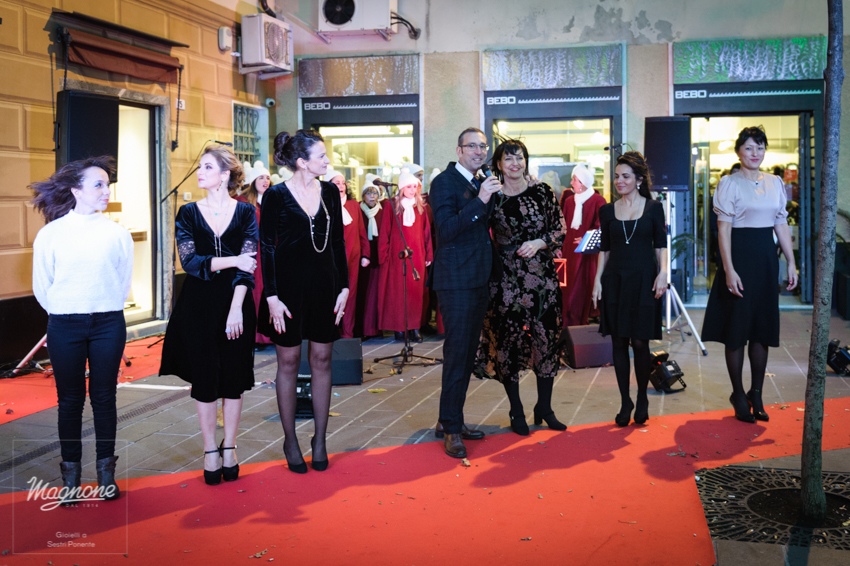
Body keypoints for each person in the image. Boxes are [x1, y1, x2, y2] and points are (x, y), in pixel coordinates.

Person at [31, 156, 133, 503]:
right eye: (98, 184)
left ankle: (106, 476)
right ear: (76, 190)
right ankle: (70, 479)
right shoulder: (51, 234)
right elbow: (42, 286)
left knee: (104, 397)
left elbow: (122, 283)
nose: (106, 191)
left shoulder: (117, 233)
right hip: (65, 324)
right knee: (70, 400)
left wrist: (102, 306)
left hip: (108, 322)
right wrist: (66, 311)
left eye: (108, 184)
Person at [159, 146, 257, 485]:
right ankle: (209, 450)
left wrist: (236, 308)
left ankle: (230, 447)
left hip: (237, 302)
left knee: (233, 378)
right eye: (200, 167)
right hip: (198, 304)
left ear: (225, 174)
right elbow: (191, 263)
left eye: (207, 167)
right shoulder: (188, 213)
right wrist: (233, 260)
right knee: (204, 378)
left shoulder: (245, 213)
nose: (199, 172)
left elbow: (249, 266)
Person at [259, 130, 348, 473]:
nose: (327, 161)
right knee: (289, 361)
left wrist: (344, 287)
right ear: (301, 162)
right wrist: (271, 296)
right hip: (287, 291)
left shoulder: (329, 192)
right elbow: (267, 248)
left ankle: (320, 439)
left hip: (325, 288)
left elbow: (338, 242)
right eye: (321, 156)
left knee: (322, 358)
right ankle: (290, 440)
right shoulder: (276, 196)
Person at [701, 126, 798, 423]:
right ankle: (738, 395)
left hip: (766, 261)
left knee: (761, 330)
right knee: (736, 330)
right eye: (749, 148)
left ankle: (757, 393)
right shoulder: (728, 184)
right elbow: (723, 231)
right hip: (739, 259)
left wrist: (791, 262)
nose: (755, 153)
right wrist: (728, 269)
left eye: (760, 147)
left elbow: (780, 224)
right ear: (738, 152)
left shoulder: (775, 182)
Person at [475, 138, 567, 435]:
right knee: (508, 341)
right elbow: (478, 232)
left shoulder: (542, 191)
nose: (515, 163)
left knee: (547, 338)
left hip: (541, 277)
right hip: (505, 279)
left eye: (520, 158)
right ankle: (516, 409)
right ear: (498, 165)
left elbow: (560, 228)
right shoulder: (492, 195)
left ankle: (545, 407)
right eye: (509, 159)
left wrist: (540, 242)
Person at [429, 127, 502, 458]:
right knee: (458, 353)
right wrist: (481, 200)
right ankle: (451, 428)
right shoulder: (444, 182)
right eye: (472, 146)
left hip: (477, 278)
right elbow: (446, 230)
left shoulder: (480, 180)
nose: (478, 151)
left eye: (483, 146)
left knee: (467, 353)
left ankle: (449, 419)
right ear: (458, 151)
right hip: (456, 280)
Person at [591, 151, 667, 427]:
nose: (619, 181)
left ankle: (642, 397)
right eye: (616, 176)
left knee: (640, 342)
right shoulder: (607, 211)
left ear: (638, 180)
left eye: (625, 176)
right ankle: (625, 401)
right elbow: (604, 250)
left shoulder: (653, 207)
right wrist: (597, 281)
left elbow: (661, 245)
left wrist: (663, 273)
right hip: (615, 281)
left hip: (645, 281)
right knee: (619, 342)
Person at [377, 171, 433, 342]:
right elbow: (385, 232)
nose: (412, 189)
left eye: (415, 186)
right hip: (397, 255)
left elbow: (426, 233)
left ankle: (415, 327)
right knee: (399, 293)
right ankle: (400, 328)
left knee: (416, 292)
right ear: (401, 188)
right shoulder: (391, 206)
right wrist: (384, 255)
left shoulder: (421, 207)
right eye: (409, 186)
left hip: (417, 255)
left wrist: (428, 254)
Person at [324, 167, 369, 339]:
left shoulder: (353, 205)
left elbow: (361, 231)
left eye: (343, 183)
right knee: (331, 295)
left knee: (350, 296)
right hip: (331, 259)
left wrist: (365, 254)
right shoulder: (323, 205)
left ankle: (348, 333)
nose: (341, 186)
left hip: (352, 258)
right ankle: (330, 332)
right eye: (337, 183)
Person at [561, 164, 607, 327]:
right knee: (567, 289)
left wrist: (586, 239)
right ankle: (566, 325)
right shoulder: (569, 201)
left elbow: (601, 226)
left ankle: (580, 323)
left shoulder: (598, 201)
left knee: (581, 289)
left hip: (587, 254)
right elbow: (562, 226)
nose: (571, 183)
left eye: (574, 180)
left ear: (582, 183)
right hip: (568, 252)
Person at [237, 160, 273, 349]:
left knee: (269, 291)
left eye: (267, 178)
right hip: (252, 253)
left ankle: (268, 333)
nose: (265, 181)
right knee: (254, 292)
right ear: (252, 182)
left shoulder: (271, 200)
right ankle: (256, 336)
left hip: (269, 252)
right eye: (261, 178)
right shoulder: (242, 202)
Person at [355, 182, 383, 338]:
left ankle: (376, 329)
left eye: (374, 193)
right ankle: (362, 329)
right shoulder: (358, 210)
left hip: (378, 256)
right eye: (368, 193)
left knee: (376, 294)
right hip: (363, 257)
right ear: (363, 196)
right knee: (363, 293)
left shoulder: (382, 211)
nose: (372, 196)